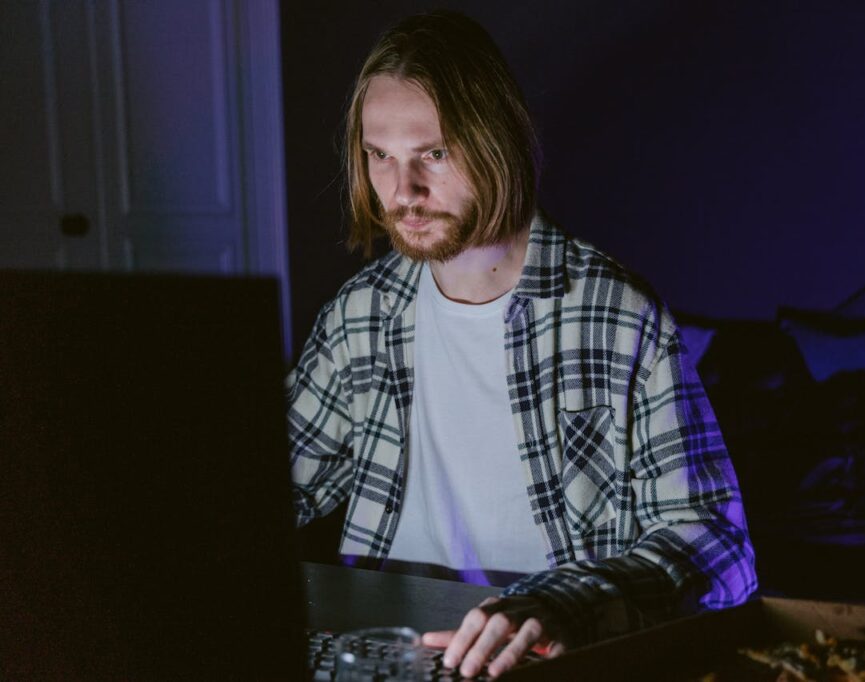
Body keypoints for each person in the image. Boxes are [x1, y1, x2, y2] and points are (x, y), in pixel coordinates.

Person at [287, 10, 757, 678]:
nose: (402, 192)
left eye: (434, 154)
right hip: (390, 661)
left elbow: (719, 549)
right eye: (379, 157)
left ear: (495, 141)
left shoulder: (616, 314)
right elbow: (261, 491)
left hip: (545, 660)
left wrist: (566, 606)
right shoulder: (360, 314)